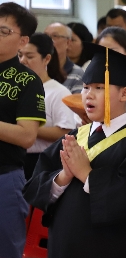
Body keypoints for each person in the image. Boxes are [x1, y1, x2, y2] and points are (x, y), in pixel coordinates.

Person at [24, 43, 126, 258]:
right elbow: (34, 185)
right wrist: (63, 176)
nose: (88, 95)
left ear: (125, 93)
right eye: (86, 88)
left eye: (99, 88)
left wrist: (87, 174)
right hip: (64, 249)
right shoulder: (76, 136)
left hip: (110, 251)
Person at [0, 3, 46, 258]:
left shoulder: (27, 80)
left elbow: (27, 136)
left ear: (23, 41)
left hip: (4, 178)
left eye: (3, 31)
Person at [18, 33, 75, 178]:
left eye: (29, 56)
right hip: (14, 158)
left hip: (41, 161)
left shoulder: (59, 92)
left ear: (47, 59)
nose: (23, 60)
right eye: (20, 55)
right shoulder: (14, 88)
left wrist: (26, 128)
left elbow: (66, 132)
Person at [45, 23, 84, 94]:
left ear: (68, 43)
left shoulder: (77, 74)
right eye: (46, 35)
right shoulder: (37, 69)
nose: (48, 40)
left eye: (55, 36)